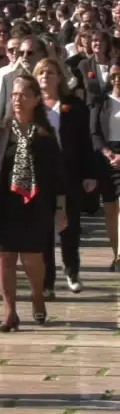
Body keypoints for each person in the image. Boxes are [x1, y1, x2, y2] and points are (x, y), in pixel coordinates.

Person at [0, 73, 66, 331]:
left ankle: (37, 296)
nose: (17, 99)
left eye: (24, 94)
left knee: (32, 258)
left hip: (35, 204)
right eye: (14, 94)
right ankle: (10, 312)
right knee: (5, 257)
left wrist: (60, 209)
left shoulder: (45, 136)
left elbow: (58, 177)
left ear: (36, 99)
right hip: (2, 203)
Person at [35, 59, 95, 295]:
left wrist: (89, 174)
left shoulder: (74, 105)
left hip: (69, 172)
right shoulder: (33, 106)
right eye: (41, 73)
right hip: (41, 175)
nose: (45, 77)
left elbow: (85, 143)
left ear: (59, 77)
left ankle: (72, 271)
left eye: (50, 73)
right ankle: (47, 281)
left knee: (69, 226)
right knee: (43, 230)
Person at [90, 64, 120, 269]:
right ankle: (116, 254)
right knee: (110, 209)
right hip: (106, 157)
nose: (117, 79)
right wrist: (108, 153)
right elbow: (93, 132)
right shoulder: (102, 100)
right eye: (114, 75)